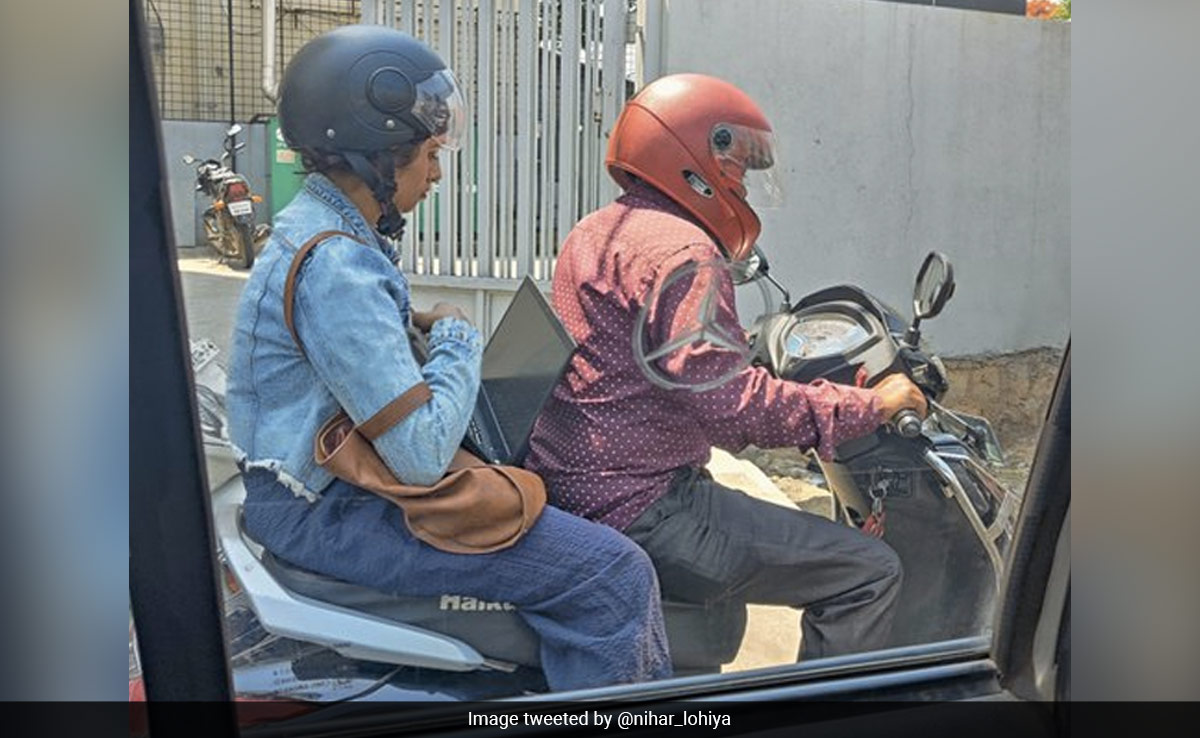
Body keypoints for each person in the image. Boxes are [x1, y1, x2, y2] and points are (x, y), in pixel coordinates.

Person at [225, 25, 671, 691]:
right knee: (613, 573)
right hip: (324, 512)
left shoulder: (324, 233)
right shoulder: (337, 264)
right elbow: (422, 455)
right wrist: (458, 335)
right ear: (378, 155)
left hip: (313, 493)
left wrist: (415, 324)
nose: (435, 173)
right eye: (429, 154)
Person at [525, 73, 928, 660]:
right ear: (692, 160)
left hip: (584, 484)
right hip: (645, 505)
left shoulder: (598, 230)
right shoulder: (686, 254)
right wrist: (868, 405)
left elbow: (661, 361)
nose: (740, 184)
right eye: (736, 167)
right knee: (867, 571)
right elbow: (730, 405)